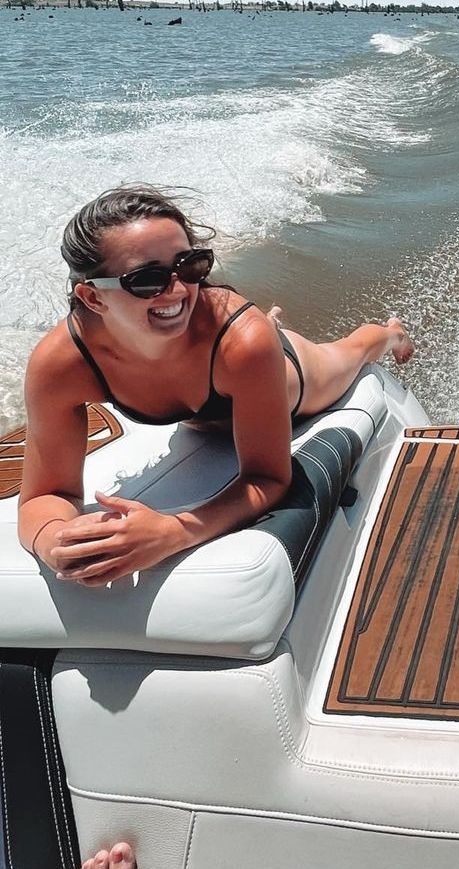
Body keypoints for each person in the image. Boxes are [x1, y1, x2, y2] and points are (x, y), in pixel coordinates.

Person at [18, 185, 414, 586]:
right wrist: (57, 542)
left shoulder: (242, 342)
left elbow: (269, 478)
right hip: (218, 392)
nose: (178, 290)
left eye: (190, 266)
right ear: (92, 297)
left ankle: (389, 333)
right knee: (257, 343)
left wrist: (175, 531)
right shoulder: (62, 364)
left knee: (349, 353)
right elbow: (43, 496)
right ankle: (274, 327)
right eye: (147, 279)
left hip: (289, 381)